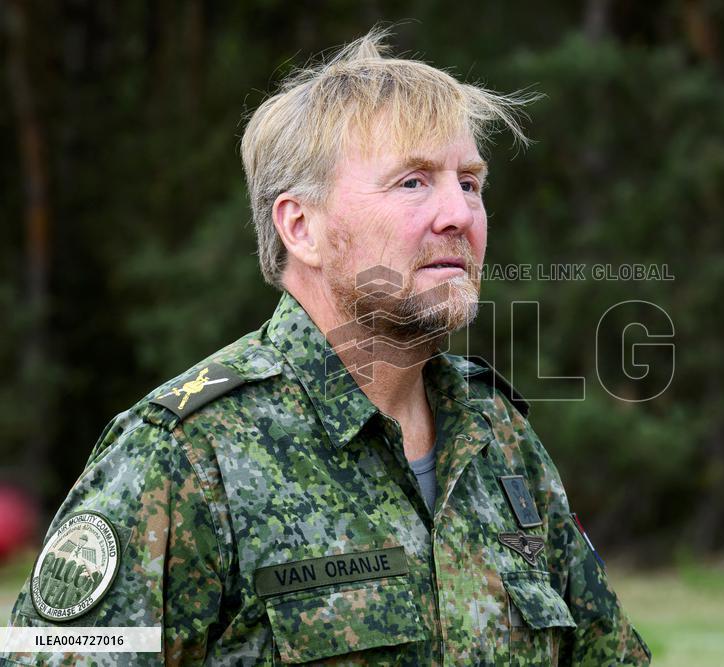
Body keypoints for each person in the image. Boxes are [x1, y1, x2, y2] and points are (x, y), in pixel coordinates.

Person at [1, 28, 652, 665]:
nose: (458, 214)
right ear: (301, 226)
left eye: (471, 183)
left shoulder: (496, 435)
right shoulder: (186, 453)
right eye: (413, 182)